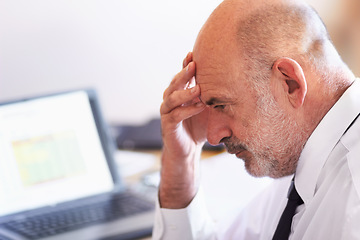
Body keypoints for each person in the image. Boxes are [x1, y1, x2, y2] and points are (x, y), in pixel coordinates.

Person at [153, 0, 360, 239]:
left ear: (289, 83)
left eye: (222, 105)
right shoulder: (301, 155)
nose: (212, 136)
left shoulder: (352, 205)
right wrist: (182, 164)